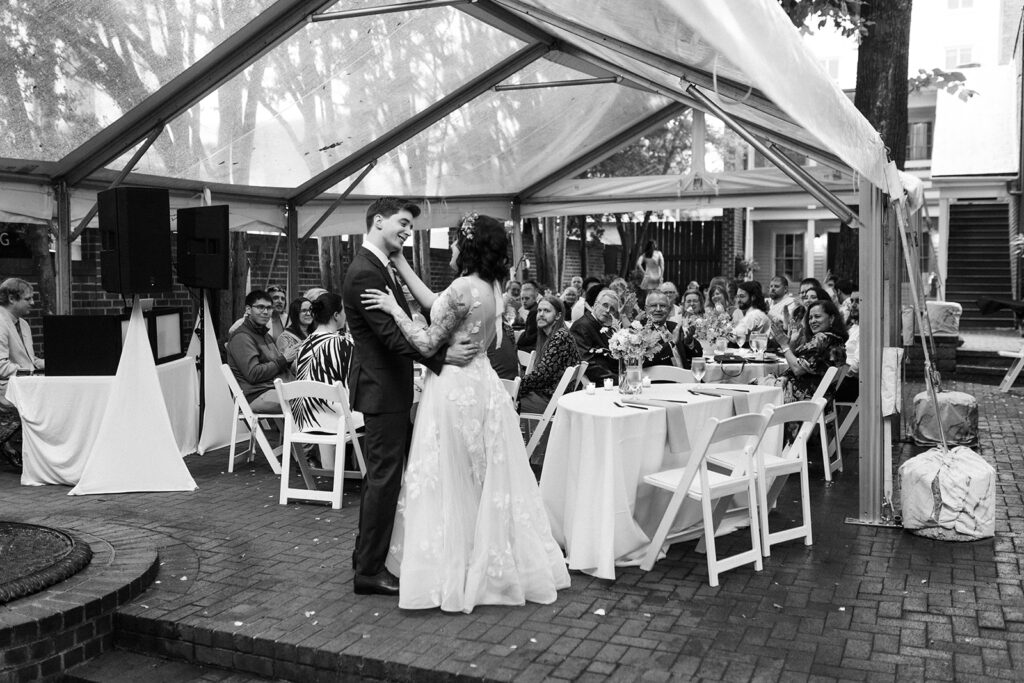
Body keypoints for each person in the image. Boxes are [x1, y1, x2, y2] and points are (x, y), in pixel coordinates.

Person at [361, 212, 570, 612]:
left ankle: (452, 565)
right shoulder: (492, 287)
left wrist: (393, 308)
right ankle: (487, 556)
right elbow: (439, 304)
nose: (452, 247)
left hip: (453, 388)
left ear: (469, 247)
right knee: (478, 475)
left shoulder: (460, 288)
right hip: (482, 385)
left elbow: (425, 341)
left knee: (449, 474)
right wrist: (402, 264)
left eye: (456, 241)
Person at [342, 196, 478, 598]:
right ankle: (368, 572)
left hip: (390, 388)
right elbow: (390, 336)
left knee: (380, 478)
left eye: (411, 226)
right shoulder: (365, 272)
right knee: (385, 479)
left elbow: (409, 323)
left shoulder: (380, 266)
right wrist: (442, 356)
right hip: (383, 390)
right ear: (378, 220)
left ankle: (364, 555)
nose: (407, 230)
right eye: (402, 222)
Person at [294, 292, 358, 469]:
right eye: (344, 310)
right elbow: (353, 382)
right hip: (334, 420)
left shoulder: (304, 345)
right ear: (336, 315)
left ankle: (333, 469)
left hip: (305, 420)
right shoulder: (342, 344)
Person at [0, 278, 45, 469]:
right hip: (6, 385)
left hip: (24, 381)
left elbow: (29, 359)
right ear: (12, 298)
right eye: (28, 298)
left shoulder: (23, 324)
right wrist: (32, 374)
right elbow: (1, 366)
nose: (33, 303)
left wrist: (59, 363)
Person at [226, 290, 294, 413]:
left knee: (316, 396)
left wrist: (292, 356)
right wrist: (283, 359)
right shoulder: (242, 337)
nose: (265, 312)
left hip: (276, 388)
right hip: (257, 395)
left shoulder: (263, 334)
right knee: (307, 402)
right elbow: (254, 374)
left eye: (269, 308)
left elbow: (277, 363)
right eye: (260, 307)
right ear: (248, 309)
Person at [770, 298, 848, 404]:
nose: (812, 321)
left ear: (831, 319)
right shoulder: (837, 340)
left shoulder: (821, 339)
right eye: (810, 318)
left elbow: (797, 369)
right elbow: (794, 361)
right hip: (822, 400)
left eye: (817, 316)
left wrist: (784, 344)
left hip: (801, 400)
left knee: (750, 390)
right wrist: (792, 343)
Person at [519, 296, 581, 414]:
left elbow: (541, 375)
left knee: (504, 401)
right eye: (539, 310)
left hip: (552, 402)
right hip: (550, 397)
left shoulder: (560, 337)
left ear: (558, 316)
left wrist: (517, 388)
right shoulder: (553, 335)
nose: (541, 314)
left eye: (546, 311)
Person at [570, 286, 620, 384]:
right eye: (605, 305)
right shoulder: (582, 326)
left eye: (612, 309)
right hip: (593, 384)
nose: (608, 311)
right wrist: (618, 380)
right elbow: (587, 363)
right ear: (596, 304)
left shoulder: (604, 326)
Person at [640, 289, 680, 368]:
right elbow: (644, 361)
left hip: (686, 378)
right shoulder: (639, 331)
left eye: (662, 306)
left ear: (669, 309)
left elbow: (696, 355)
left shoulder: (676, 327)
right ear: (646, 309)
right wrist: (670, 344)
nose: (658, 309)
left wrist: (690, 343)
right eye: (654, 305)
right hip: (659, 379)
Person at [276, 297, 314, 371]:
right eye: (304, 311)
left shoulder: (315, 333)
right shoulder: (284, 338)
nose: (309, 313)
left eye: (311, 310)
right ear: (295, 313)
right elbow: (292, 367)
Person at [730, 280, 771, 347]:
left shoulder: (754, 314)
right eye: (737, 296)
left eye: (742, 296)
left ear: (753, 297)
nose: (738, 300)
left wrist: (721, 329)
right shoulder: (755, 312)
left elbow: (734, 337)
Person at [676, 289, 705, 368]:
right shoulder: (677, 322)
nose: (692, 304)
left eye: (695, 301)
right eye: (688, 301)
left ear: (700, 303)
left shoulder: (708, 320)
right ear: (684, 304)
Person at [516, 280, 540, 351]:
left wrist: (518, 341)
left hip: (534, 348)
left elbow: (530, 337)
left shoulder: (534, 311)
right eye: (522, 299)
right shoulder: (534, 309)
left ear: (534, 298)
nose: (524, 301)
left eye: (527, 298)